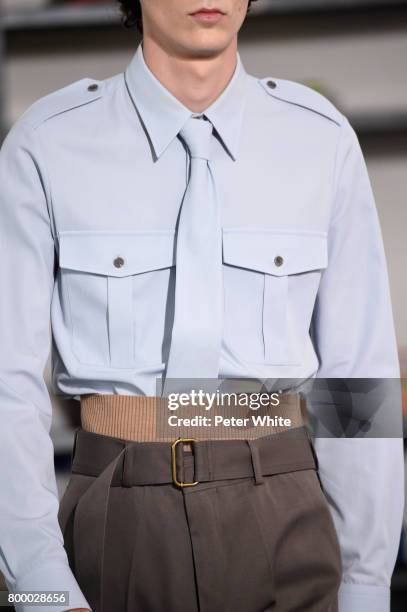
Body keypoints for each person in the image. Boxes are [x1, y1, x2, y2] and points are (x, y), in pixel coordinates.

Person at [0, 1, 404, 611]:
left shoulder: (320, 140)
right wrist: (43, 590)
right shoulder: (48, 143)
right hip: (118, 514)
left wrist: (367, 585)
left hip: (287, 510)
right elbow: (6, 385)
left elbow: (356, 379)